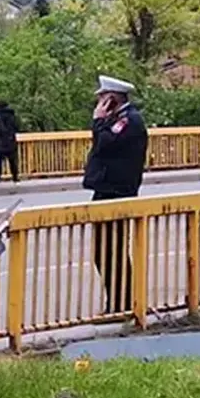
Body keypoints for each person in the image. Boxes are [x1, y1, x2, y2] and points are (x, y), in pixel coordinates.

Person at [82, 75, 149, 315]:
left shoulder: (129, 121)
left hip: (117, 192)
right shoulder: (118, 119)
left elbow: (104, 144)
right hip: (106, 190)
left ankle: (122, 303)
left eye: (102, 98)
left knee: (114, 251)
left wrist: (98, 121)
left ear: (112, 99)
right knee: (104, 251)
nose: (98, 102)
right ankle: (118, 301)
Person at [0, 101, 20, 183]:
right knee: (13, 160)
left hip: (0, 141)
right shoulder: (12, 116)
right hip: (11, 140)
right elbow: (16, 127)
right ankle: (15, 177)